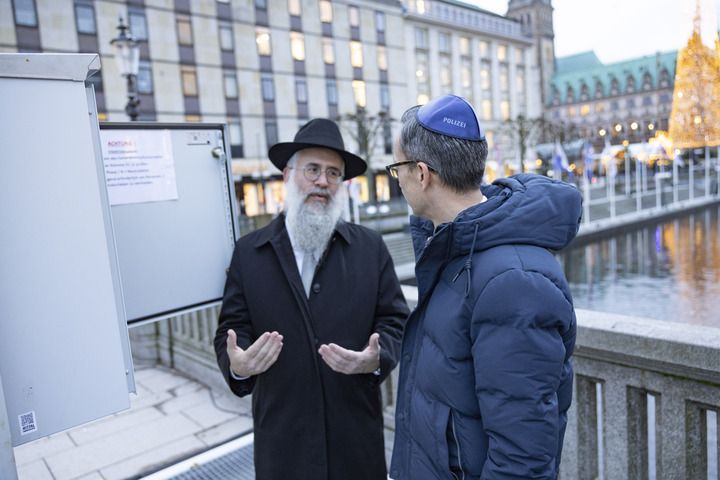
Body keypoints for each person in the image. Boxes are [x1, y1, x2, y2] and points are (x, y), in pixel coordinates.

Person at [387, 95, 582, 480]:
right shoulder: (456, 253)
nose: (400, 181)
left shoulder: (513, 282)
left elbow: (522, 462)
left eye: (398, 170)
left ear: (422, 174)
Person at [214, 118, 409, 480]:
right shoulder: (248, 253)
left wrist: (376, 358)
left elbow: (395, 322)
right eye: (313, 170)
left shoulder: (370, 249)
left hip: (356, 447)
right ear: (287, 176)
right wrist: (239, 364)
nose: (323, 181)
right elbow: (231, 330)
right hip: (283, 447)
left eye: (334, 173)